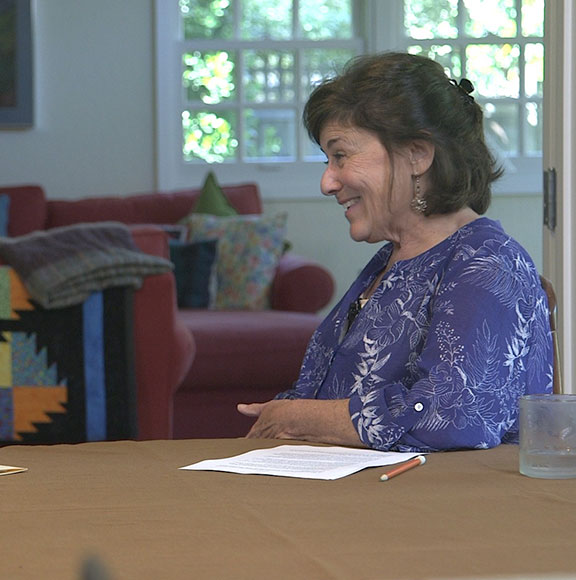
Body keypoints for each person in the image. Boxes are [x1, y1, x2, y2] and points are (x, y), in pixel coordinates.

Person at [237, 52, 554, 452]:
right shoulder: (392, 259)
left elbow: (454, 417)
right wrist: (283, 417)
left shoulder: (486, 263)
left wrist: (298, 418)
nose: (327, 182)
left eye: (341, 156)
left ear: (417, 155)